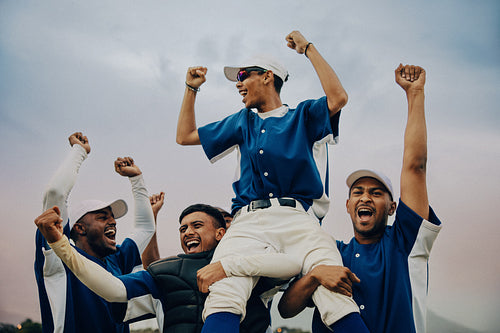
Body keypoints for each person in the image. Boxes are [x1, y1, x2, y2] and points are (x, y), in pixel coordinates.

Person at [176, 30, 369, 332]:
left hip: (299, 220)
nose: (238, 83)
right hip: (249, 221)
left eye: (243, 75)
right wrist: (191, 89)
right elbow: (185, 136)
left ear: (267, 76)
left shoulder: (303, 115)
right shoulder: (243, 121)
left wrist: (308, 49)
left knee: (334, 292)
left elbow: (338, 98)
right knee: (225, 291)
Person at [278, 64, 442, 333]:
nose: (365, 197)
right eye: (358, 192)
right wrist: (316, 276)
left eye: (376, 193)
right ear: (347, 205)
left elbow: (415, 167)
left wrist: (415, 94)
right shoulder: (330, 253)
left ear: (392, 207)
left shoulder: (406, 243)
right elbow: (286, 308)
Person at [34, 203, 301, 333]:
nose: (188, 232)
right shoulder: (165, 270)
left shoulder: (252, 260)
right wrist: (61, 246)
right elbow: (113, 289)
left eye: (197, 226)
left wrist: (230, 266)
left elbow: (291, 268)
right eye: (183, 228)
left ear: (221, 233)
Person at [34, 132, 155, 333]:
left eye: (112, 217)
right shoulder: (59, 258)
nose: (113, 222)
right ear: (80, 228)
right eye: (102, 217)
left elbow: (145, 228)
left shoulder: (116, 260)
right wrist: (79, 151)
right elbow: (55, 193)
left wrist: (136, 179)